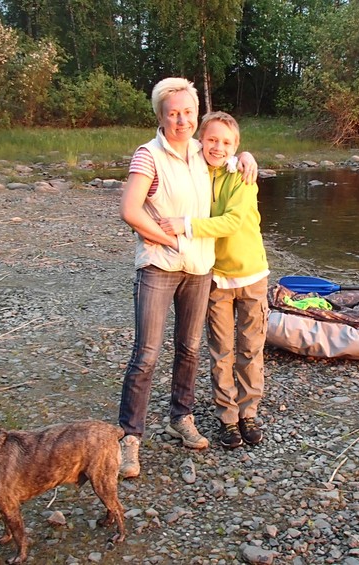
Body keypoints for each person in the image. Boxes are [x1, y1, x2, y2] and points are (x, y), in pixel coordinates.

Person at [117, 79, 256, 479]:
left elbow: (226, 150)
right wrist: (169, 240)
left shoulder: (200, 152)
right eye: (173, 113)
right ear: (161, 116)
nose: (181, 120)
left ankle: (181, 417)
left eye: (188, 113)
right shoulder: (148, 155)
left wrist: (246, 156)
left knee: (189, 348)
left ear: (196, 115)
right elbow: (130, 210)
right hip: (159, 266)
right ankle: (129, 437)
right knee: (146, 354)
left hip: (199, 268)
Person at [158, 112, 269, 449]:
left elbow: (232, 221)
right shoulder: (196, 173)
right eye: (212, 140)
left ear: (236, 146)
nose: (218, 147)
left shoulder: (243, 176)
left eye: (227, 143)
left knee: (250, 348)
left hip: (252, 274)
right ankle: (228, 417)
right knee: (221, 351)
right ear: (200, 142)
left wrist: (185, 225)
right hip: (216, 277)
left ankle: (248, 412)